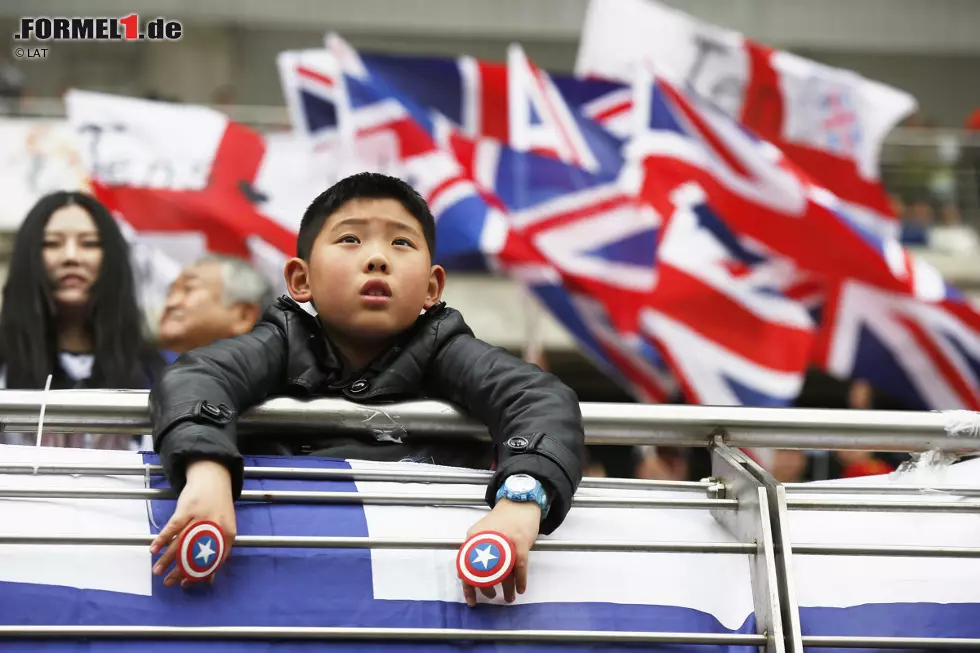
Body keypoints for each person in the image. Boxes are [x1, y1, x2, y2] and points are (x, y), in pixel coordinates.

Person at [148, 173, 585, 605]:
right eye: (350, 240)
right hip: (285, 578)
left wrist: (520, 501)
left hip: (418, 590)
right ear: (300, 280)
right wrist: (208, 470)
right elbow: (197, 376)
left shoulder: (446, 347)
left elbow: (540, 399)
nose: (377, 258)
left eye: (401, 243)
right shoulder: (279, 339)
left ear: (432, 287)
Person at [0, 191, 164, 448]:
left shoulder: (158, 372)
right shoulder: (5, 368)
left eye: (89, 243)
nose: (71, 257)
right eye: (51, 243)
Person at [158, 255, 276, 359]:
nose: (171, 303)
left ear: (244, 316)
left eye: (189, 289)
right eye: (170, 293)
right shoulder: (145, 370)